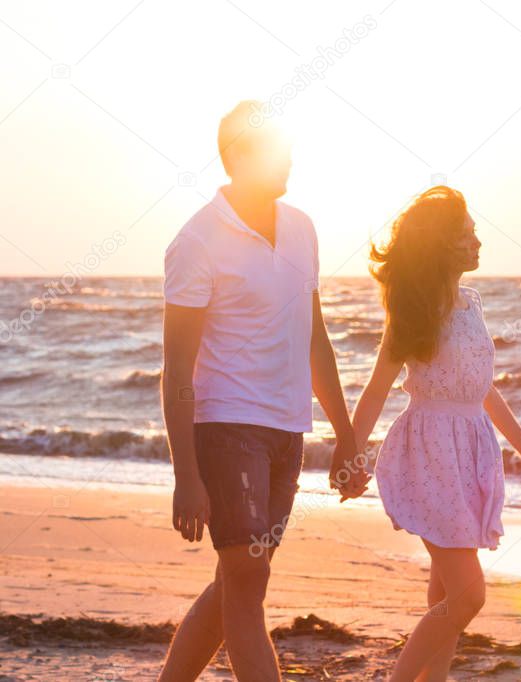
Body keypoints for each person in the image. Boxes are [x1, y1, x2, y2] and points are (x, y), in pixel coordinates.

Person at [158, 100, 369, 681]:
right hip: (226, 429)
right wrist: (186, 476)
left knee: (235, 581)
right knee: (250, 584)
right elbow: (176, 368)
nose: (289, 158)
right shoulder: (196, 241)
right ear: (239, 157)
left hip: (286, 432)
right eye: (276, 149)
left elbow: (316, 341)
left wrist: (347, 438)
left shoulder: (302, 228)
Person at [351, 185, 521, 681]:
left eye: (475, 233)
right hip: (429, 452)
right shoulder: (414, 312)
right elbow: (377, 389)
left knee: (445, 592)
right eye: (466, 235)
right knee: (469, 594)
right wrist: (351, 456)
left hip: (471, 448)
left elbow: (483, 389)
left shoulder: (472, 303)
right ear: (442, 245)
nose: (478, 242)